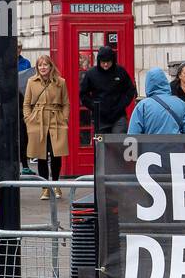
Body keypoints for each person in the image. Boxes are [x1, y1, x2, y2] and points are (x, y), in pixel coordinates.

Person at [23, 55, 70, 200]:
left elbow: (66, 103)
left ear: (51, 67)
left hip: (56, 120)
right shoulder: (31, 82)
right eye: (40, 65)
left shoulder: (60, 82)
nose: (43, 67)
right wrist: (29, 119)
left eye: (45, 65)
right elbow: (26, 104)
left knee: (56, 154)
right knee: (41, 155)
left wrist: (64, 118)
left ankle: (55, 184)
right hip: (37, 121)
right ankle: (45, 187)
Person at [79, 45, 135, 134]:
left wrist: (121, 105)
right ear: (99, 61)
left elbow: (130, 90)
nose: (105, 64)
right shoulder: (91, 74)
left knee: (119, 143)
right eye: (103, 62)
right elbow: (83, 94)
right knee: (101, 145)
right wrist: (95, 106)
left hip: (118, 116)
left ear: (113, 60)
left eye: (108, 62)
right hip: (100, 117)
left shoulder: (120, 71)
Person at [129, 67, 185, 134]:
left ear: (148, 84)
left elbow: (133, 134)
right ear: (165, 82)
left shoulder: (143, 105)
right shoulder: (181, 103)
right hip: (176, 145)